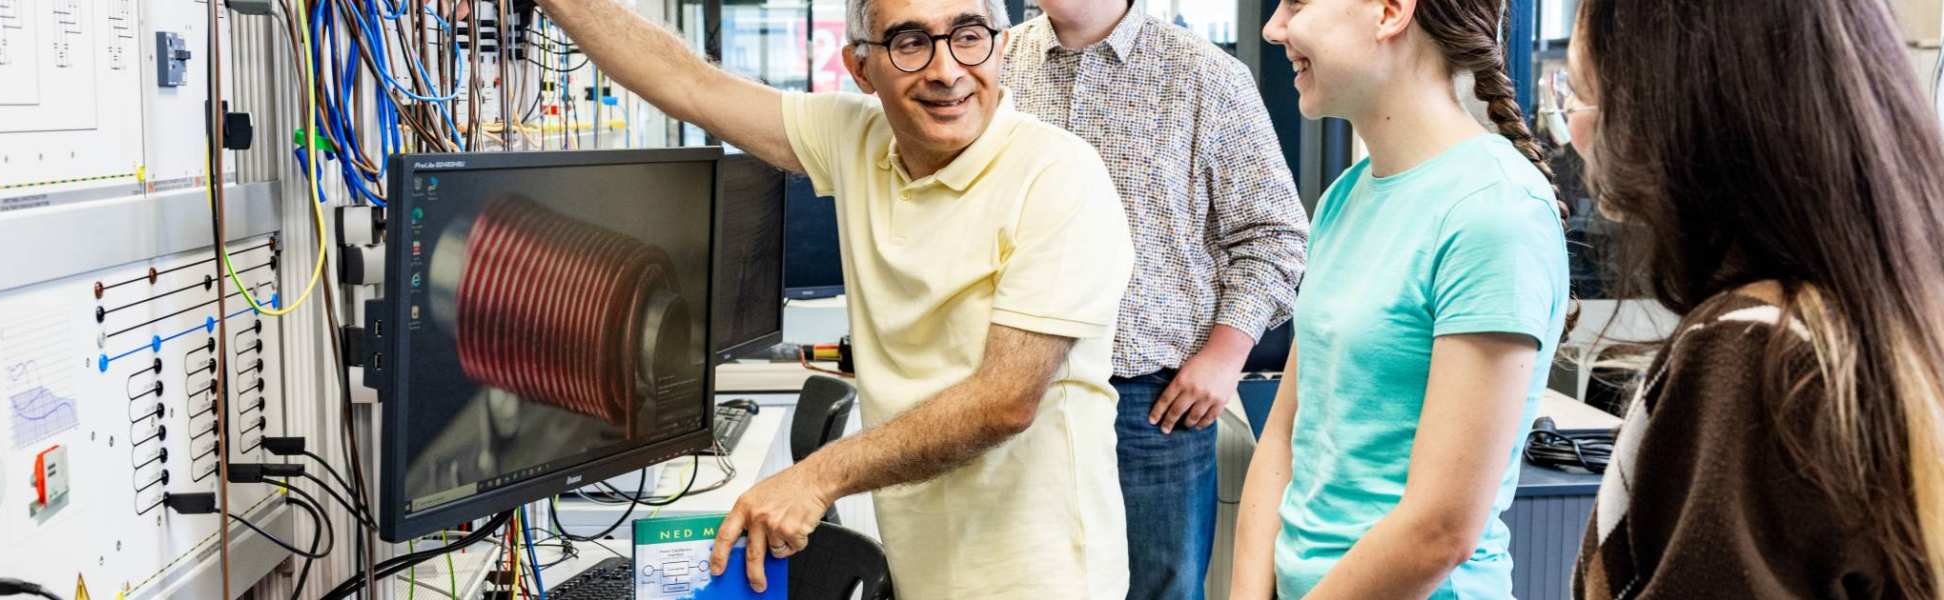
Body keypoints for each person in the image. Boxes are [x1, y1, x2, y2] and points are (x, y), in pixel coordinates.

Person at [533, 0, 1137, 597]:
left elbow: (1004, 400)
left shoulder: (1059, 176)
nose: (947, 70)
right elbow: (689, 84)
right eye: (909, 42)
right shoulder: (855, 138)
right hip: (925, 568)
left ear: (1002, 47)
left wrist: (817, 478)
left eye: (968, 35)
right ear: (860, 68)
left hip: (1042, 579)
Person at [1556, 0, 1944, 596]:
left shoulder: (1752, 349)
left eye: (1582, 95)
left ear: (1673, 108)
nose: (1574, 129)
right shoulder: (1869, 321)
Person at [1227, 0, 1570, 597]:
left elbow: (1440, 530)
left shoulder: (1496, 212)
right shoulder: (1343, 198)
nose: (1274, 28)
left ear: (1389, 11)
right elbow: (1285, 432)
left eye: (1298, 3)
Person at [999, 0, 1308, 596]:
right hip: (1012, 388)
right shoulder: (996, 65)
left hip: (1151, 406)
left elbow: (1274, 237)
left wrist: (1225, 356)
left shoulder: (1205, 75)